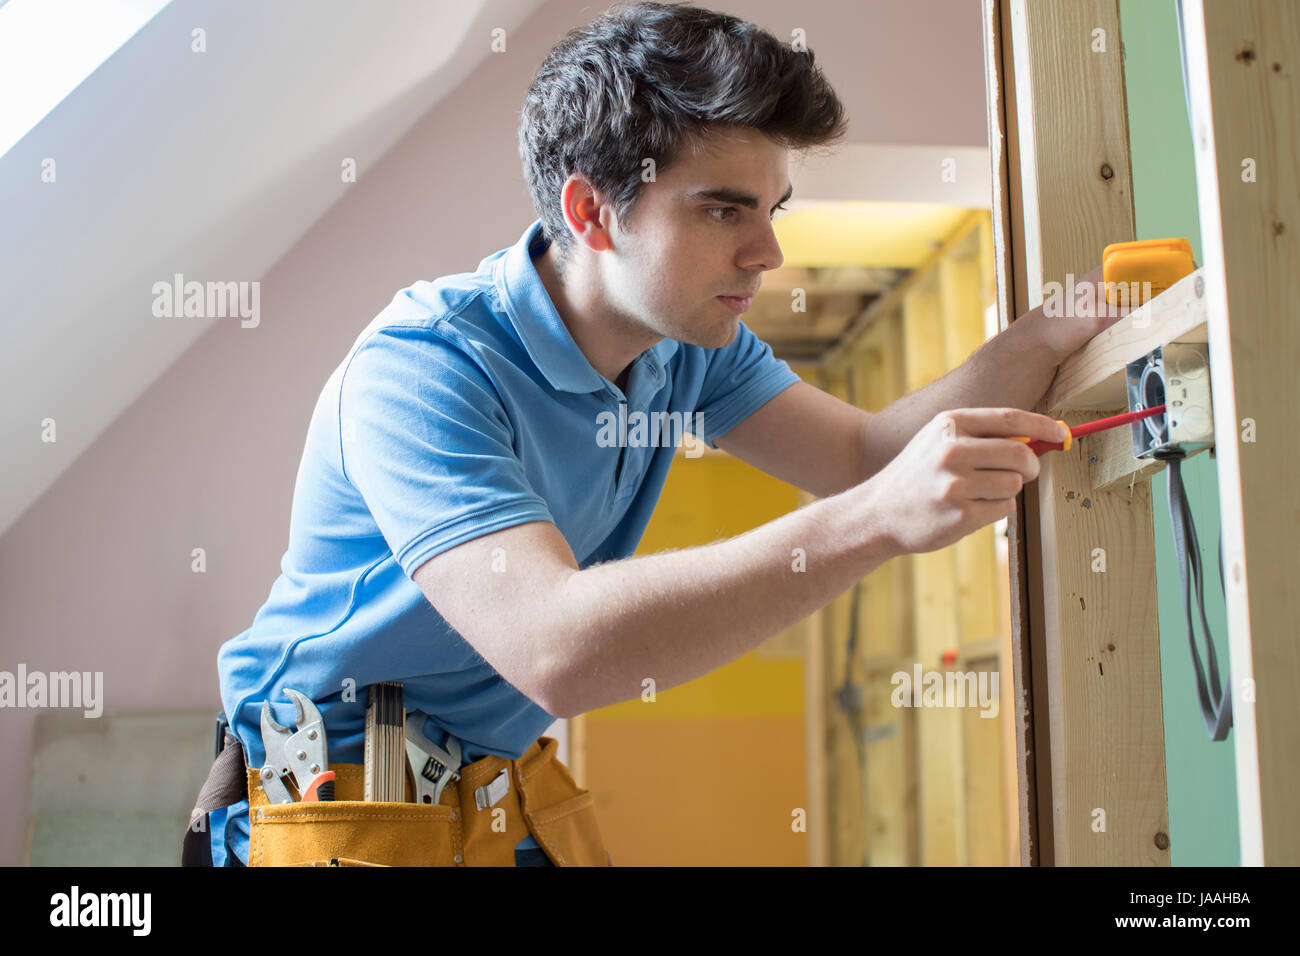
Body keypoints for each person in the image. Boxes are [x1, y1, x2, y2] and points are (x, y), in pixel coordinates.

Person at [193, 0, 1121, 867]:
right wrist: (872, 521)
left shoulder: (689, 349)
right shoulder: (422, 372)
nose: (767, 253)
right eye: (724, 209)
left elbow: (864, 459)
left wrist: (1043, 335)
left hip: (485, 796)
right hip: (326, 808)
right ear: (592, 212)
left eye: (772, 209)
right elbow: (556, 647)